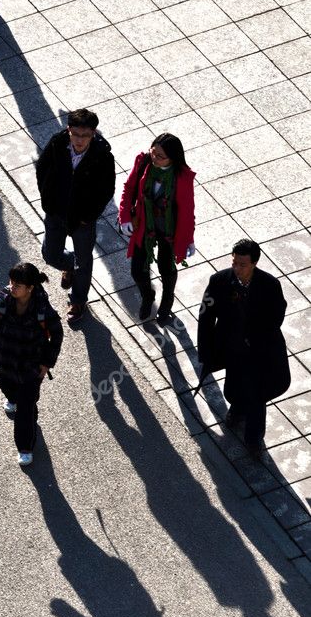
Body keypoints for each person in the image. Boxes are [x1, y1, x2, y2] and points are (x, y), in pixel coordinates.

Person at [197, 240, 290, 458]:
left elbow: (277, 316)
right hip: (232, 348)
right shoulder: (219, 282)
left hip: (260, 352)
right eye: (234, 263)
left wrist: (257, 338)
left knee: (257, 394)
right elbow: (206, 316)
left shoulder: (270, 285)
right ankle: (238, 409)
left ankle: (254, 439)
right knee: (233, 387)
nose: (237, 269)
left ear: (254, 263)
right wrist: (206, 351)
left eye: (242, 264)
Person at [0, 262, 63, 466]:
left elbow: (57, 335)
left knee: (26, 409)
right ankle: (14, 398)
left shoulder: (42, 309)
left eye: (18, 284)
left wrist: (47, 363)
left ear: (30, 288)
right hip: (4, 362)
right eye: (12, 282)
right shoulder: (1, 303)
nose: (12, 287)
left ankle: (25, 447)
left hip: (31, 367)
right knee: (9, 390)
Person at [35, 109, 115, 326]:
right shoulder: (57, 144)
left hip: (82, 220)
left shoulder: (102, 156)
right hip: (56, 213)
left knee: (84, 261)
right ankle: (67, 266)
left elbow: (106, 190)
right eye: (76, 134)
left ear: (93, 133)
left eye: (85, 135)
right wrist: (48, 202)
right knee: (50, 254)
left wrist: (88, 216)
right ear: (69, 130)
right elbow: (42, 170)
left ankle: (78, 301)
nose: (79, 140)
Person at [118, 133, 196, 324]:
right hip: (145, 226)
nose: (155, 158)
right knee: (137, 269)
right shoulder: (143, 162)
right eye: (154, 152)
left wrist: (188, 239)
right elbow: (129, 189)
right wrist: (125, 217)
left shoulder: (182, 177)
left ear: (173, 158)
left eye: (161, 157)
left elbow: (187, 209)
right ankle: (148, 296)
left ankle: (167, 300)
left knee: (166, 267)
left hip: (170, 231)